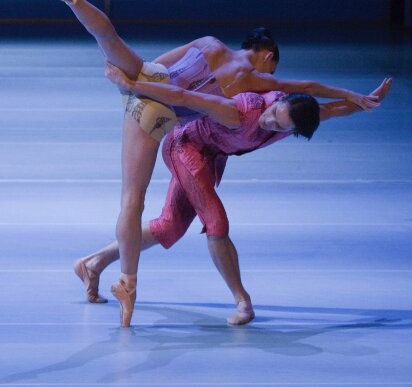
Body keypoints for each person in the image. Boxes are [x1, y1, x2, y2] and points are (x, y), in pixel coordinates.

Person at [37, 0, 380, 327]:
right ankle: (139, 284)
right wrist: (351, 94)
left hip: (154, 82)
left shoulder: (211, 44)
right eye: (273, 69)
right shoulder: (255, 87)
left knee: (110, 41)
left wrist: (135, 81)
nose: (272, 80)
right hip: (162, 111)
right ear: (267, 55)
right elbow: (305, 88)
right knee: (143, 203)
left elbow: (162, 66)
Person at [76, 62, 392, 326]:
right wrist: (131, 84)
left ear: (291, 130)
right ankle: (243, 302)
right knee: (217, 222)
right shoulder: (240, 111)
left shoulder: (297, 114)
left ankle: (93, 263)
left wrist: (365, 102)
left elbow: (333, 110)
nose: (269, 120)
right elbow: (184, 96)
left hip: (209, 156)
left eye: (278, 126)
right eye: (274, 113)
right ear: (279, 101)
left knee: (170, 227)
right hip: (185, 147)